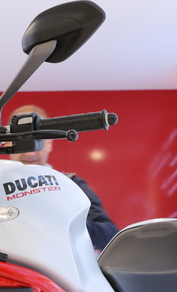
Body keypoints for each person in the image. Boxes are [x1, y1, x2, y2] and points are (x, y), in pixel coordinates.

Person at [9, 104, 119, 251]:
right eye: (22, 142)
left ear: (50, 144)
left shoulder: (71, 185)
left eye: (38, 141)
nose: (30, 153)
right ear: (7, 143)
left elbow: (109, 236)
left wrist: (65, 221)